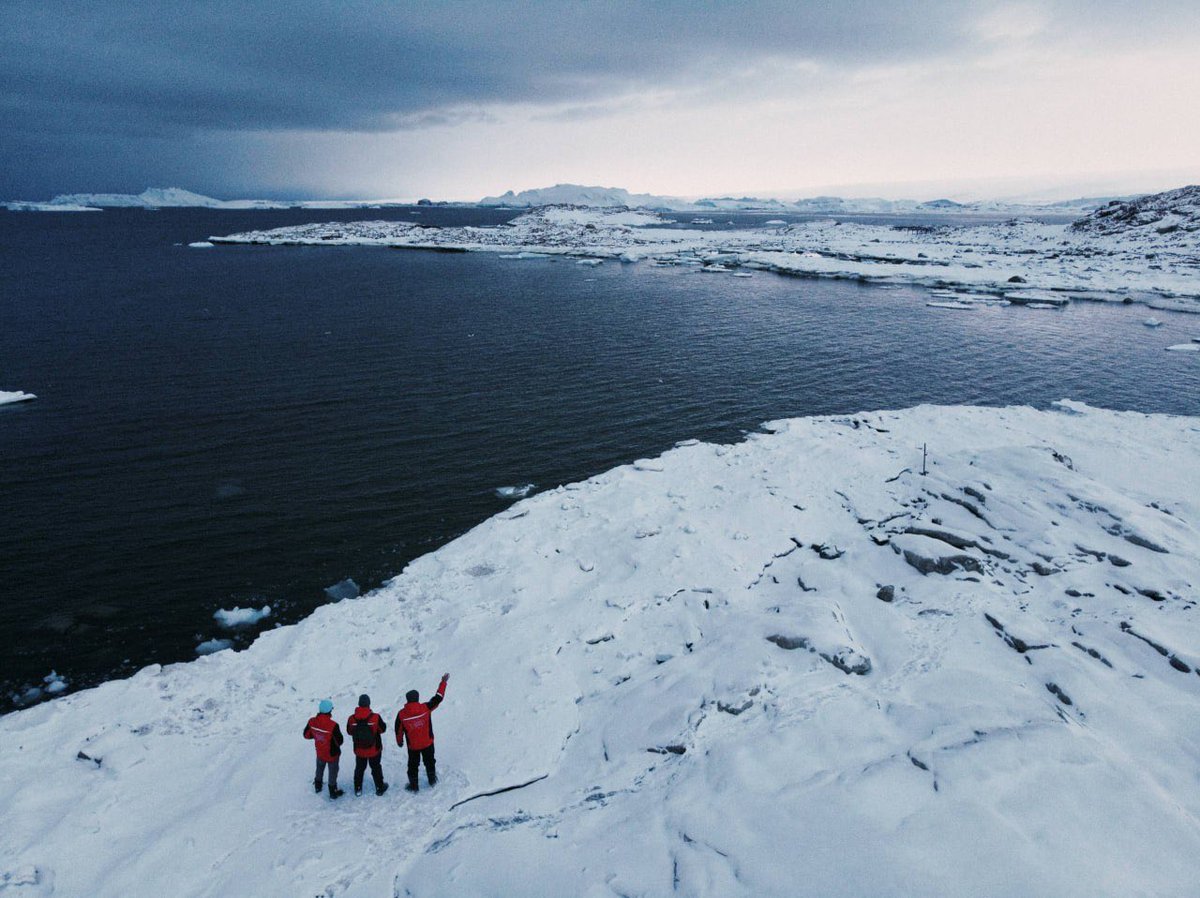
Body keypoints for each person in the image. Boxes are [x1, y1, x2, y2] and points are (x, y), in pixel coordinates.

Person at [395, 673, 449, 792]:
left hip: (413, 746)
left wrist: (400, 742)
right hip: (428, 743)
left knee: (413, 766)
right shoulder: (425, 708)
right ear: (417, 698)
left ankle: (414, 786)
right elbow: (439, 697)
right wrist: (443, 683)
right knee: (430, 762)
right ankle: (432, 780)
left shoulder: (401, 714)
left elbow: (398, 731)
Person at [347, 694, 389, 796]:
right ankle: (380, 787)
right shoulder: (375, 717)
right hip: (374, 749)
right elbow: (382, 729)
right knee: (376, 767)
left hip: (359, 750)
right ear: (369, 704)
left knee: (359, 768)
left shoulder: (352, 718)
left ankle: (358, 788)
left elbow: (349, 731)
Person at [303, 699, 345, 799]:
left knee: (319, 768)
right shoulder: (333, 725)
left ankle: (318, 785)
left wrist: (318, 736)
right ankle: (333, 791)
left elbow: (306, 735)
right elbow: (340, 741)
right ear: (330, 711)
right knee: (333, 772)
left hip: (320, 751)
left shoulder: (312, 721)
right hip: (332, 754)